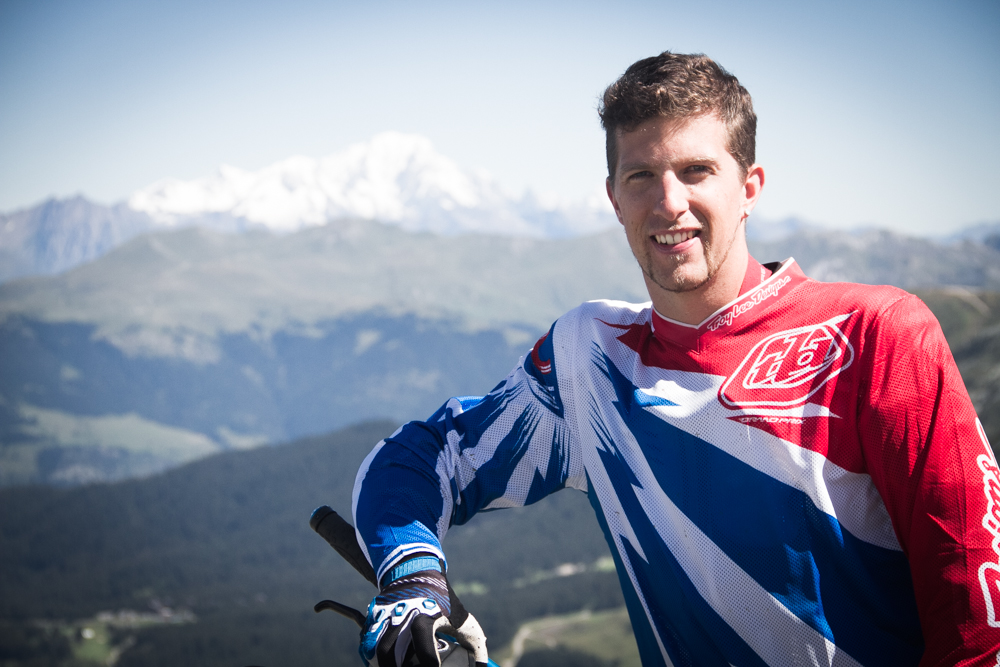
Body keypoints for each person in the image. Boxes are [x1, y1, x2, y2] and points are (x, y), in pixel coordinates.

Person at [349, 51, 1000, 666]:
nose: (668, 202)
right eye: (641, 176)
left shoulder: (875, 336)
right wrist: (410, 574)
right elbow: (421, 456)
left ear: (750, 186)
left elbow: (976, 610)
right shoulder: (587, 359)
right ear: (613, 197)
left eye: (695, 171)